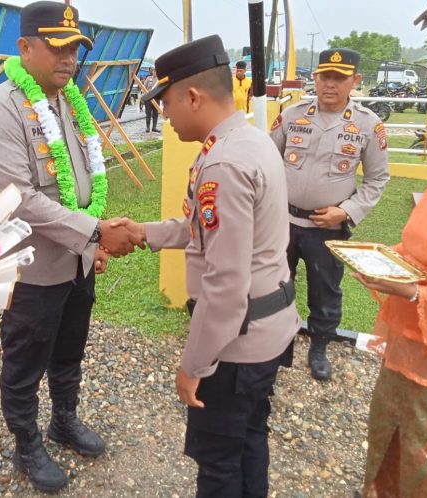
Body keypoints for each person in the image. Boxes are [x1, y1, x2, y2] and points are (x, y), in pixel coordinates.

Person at [117, 34, 300, 497]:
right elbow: (204, 228)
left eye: (166, 103)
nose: (165, 115)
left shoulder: (225, 163)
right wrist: (145, 231)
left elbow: (225, 284)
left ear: (192, 96)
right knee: (249, 441)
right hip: (266, 330)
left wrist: (194, 364)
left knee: (217, 460)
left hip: (235, 348)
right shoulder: (249, 142)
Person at [0, 1, 140, 492]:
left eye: (76, 48)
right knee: (24, 358)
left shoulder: (70, 102)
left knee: (70, 349)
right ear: (25, 48)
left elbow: (84, 183)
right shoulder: (0, 109)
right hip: (32, 269)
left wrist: (93, 244)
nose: (69, 58)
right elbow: (18, 198)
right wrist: (94, 233)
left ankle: (63, 420)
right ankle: (26, 444)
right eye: (58, 46)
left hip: (77, 261)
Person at [354, 24, 427, 498]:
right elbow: (418, 253)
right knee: (386, 436)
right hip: (404, 346)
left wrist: (417, 291)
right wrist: (386, 260)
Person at [270, 48, 390, 381]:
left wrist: (346, 211)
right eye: (325, 77)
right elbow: (266, 159)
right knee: (277, 282)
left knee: (325, 289)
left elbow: (378, 178)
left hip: (327, 227)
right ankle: (278, 341)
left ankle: (319, 345)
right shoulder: (293, 115)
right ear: (316, 78)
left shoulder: (367, 124)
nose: (330, 84)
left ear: (355, 81)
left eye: (339, 78)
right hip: (283, 221)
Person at [143, 66, 160, 132]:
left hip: (156, 98)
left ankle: (154, 127)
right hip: (148, 98)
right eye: (154, 71)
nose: (155, 72)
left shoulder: (159, 80)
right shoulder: (148, 78)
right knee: (148, 113)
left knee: (155, 113)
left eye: (156, 71)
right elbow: (144, 87)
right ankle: (148, 128)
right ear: (152, 72)